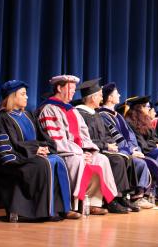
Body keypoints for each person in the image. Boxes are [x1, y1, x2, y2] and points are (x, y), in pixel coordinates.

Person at [0, 80, 79, 221]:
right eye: (23, 94)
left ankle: (61, 209)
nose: (27, 97)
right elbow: (5, 150)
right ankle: (41, 211)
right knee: (42, 164)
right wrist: (34, 150)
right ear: (12, 96)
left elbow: (44, 138)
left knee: (58, 160)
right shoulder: (2, 118)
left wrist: (45, 148)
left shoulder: (28, 116)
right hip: (14, 161)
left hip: (29, 156)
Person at [36, 74, 119, 215]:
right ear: (59, 88)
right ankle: (71, 206)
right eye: (71, 88)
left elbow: (84, 134)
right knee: (78, 160)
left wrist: (88, 150)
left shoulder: (72, 109)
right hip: (61, 151)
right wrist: (80, 152)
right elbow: (56, 139)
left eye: (74, 89)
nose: (74, 92)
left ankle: (92, 202)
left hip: (79, 151)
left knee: (101, 159)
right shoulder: (49, 108)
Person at [75, 78, 139, 213]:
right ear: (92, 98)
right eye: (99, 95)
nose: (101, 98)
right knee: (117, 160)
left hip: (101, 148)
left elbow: (105, 135)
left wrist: (111, 144)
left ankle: (123, 197)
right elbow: (84, 139)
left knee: (125, 157)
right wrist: (106, 145)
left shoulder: (95, 114)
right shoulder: (80, 114)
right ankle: (113, 200)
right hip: (90, 150)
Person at [97, 83, 154, 209]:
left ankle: (136, 196)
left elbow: (130, 136)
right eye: (117, 93)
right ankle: (134, 197)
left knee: (142, 161)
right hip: (116, 151)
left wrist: (135, 149)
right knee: (139, 163)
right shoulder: (103, 116)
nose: (120, 95)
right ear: (110, 98)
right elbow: (115, 137)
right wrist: (129, 152)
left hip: (127, 151)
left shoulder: (118, 116)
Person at [124, 96, 158, 205]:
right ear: (140, 108)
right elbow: (141, 144)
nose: (149, 109)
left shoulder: (145, 121)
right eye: (147, 107)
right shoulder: (130, 122)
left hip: (152, 149)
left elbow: (153, 138)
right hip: (144, 151)